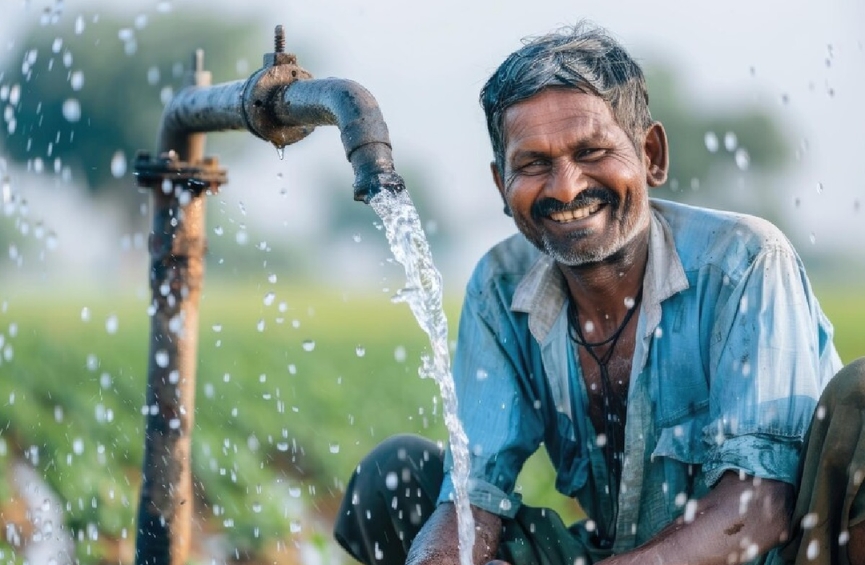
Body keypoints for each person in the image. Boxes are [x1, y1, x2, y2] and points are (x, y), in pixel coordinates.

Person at [332, 21, 865, 565]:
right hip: (622, 554)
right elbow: (473, 499)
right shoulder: (500, 287)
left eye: (592, 152)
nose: (566, 187)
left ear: (651, 155)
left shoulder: (743, 261)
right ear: (502, 186)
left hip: (779, 557)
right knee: (396, 478)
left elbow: (760, 508)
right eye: (533, 164)